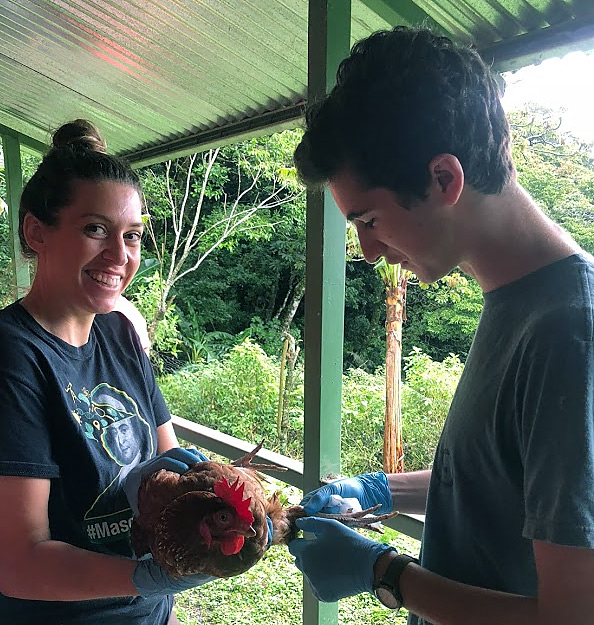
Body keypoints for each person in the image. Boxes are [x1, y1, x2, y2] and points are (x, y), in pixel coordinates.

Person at [288, 26, 594, 625]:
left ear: (445, 179)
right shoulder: (515, 301)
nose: (369, 250)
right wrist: (380, 490)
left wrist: (386, 574)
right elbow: (500, 479)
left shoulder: (569, 331)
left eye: (369, 219)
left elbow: (572, 616)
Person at [0, 119, 217, 625]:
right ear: (36, 231)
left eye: (133, 235)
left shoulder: (118, 333)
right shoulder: (15, 355)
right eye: (95, 229)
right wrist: (144, 575)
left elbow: (168, 463)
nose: (119, 256)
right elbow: (17, 561)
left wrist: (227, 502)